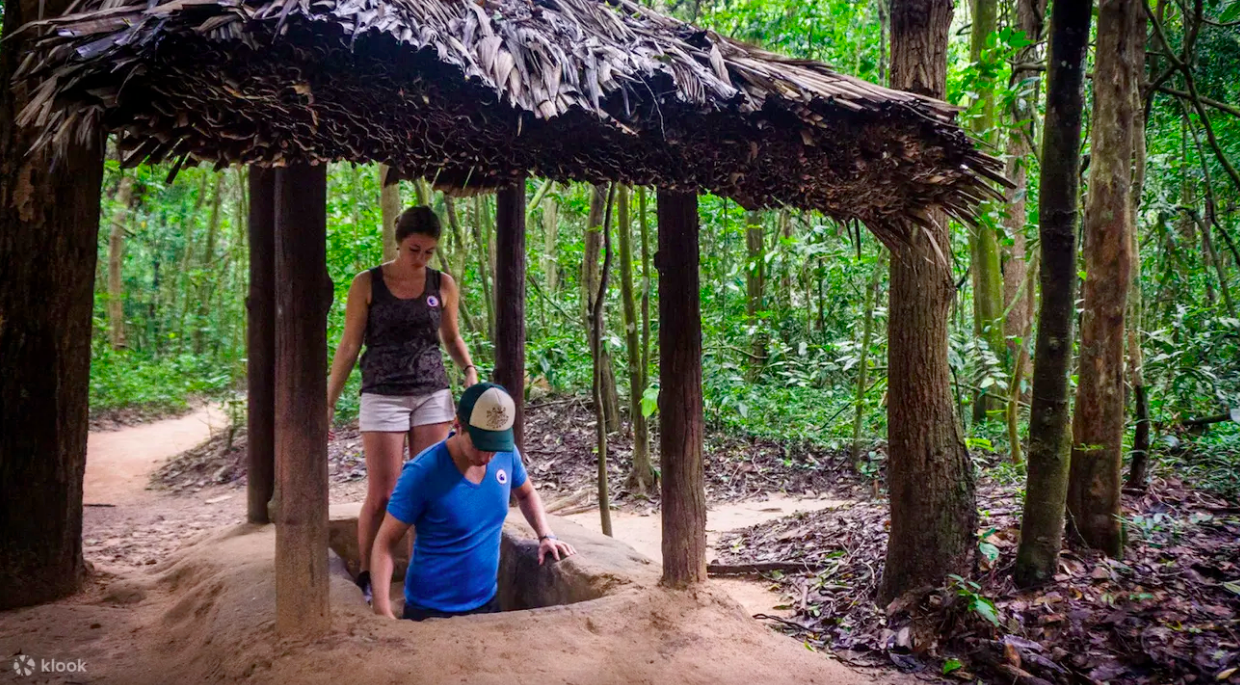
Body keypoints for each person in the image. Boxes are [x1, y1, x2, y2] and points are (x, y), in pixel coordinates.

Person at [326, 205, 480, 605]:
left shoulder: (442, 284)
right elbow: (348, 346)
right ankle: (366, 572)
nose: (420, 259)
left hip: (431, 391)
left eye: (428, 252)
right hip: (382, 393)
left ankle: (420, 574)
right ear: (399, 242)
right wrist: (328, 401)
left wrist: (469, 368)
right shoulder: (367, 284)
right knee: (384, 493)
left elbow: (451, 337)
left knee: (428, 486)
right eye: (414, 250)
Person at [370, 382, 577, 620]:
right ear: (458, 425)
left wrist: (545, 534)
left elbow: (527, 493)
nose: (488, 457)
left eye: (495, 447)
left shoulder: (506, 455)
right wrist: (382, 609)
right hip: (430, 611)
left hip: (487, 602)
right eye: (481, 445)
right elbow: (385, 543)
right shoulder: (422, 473)